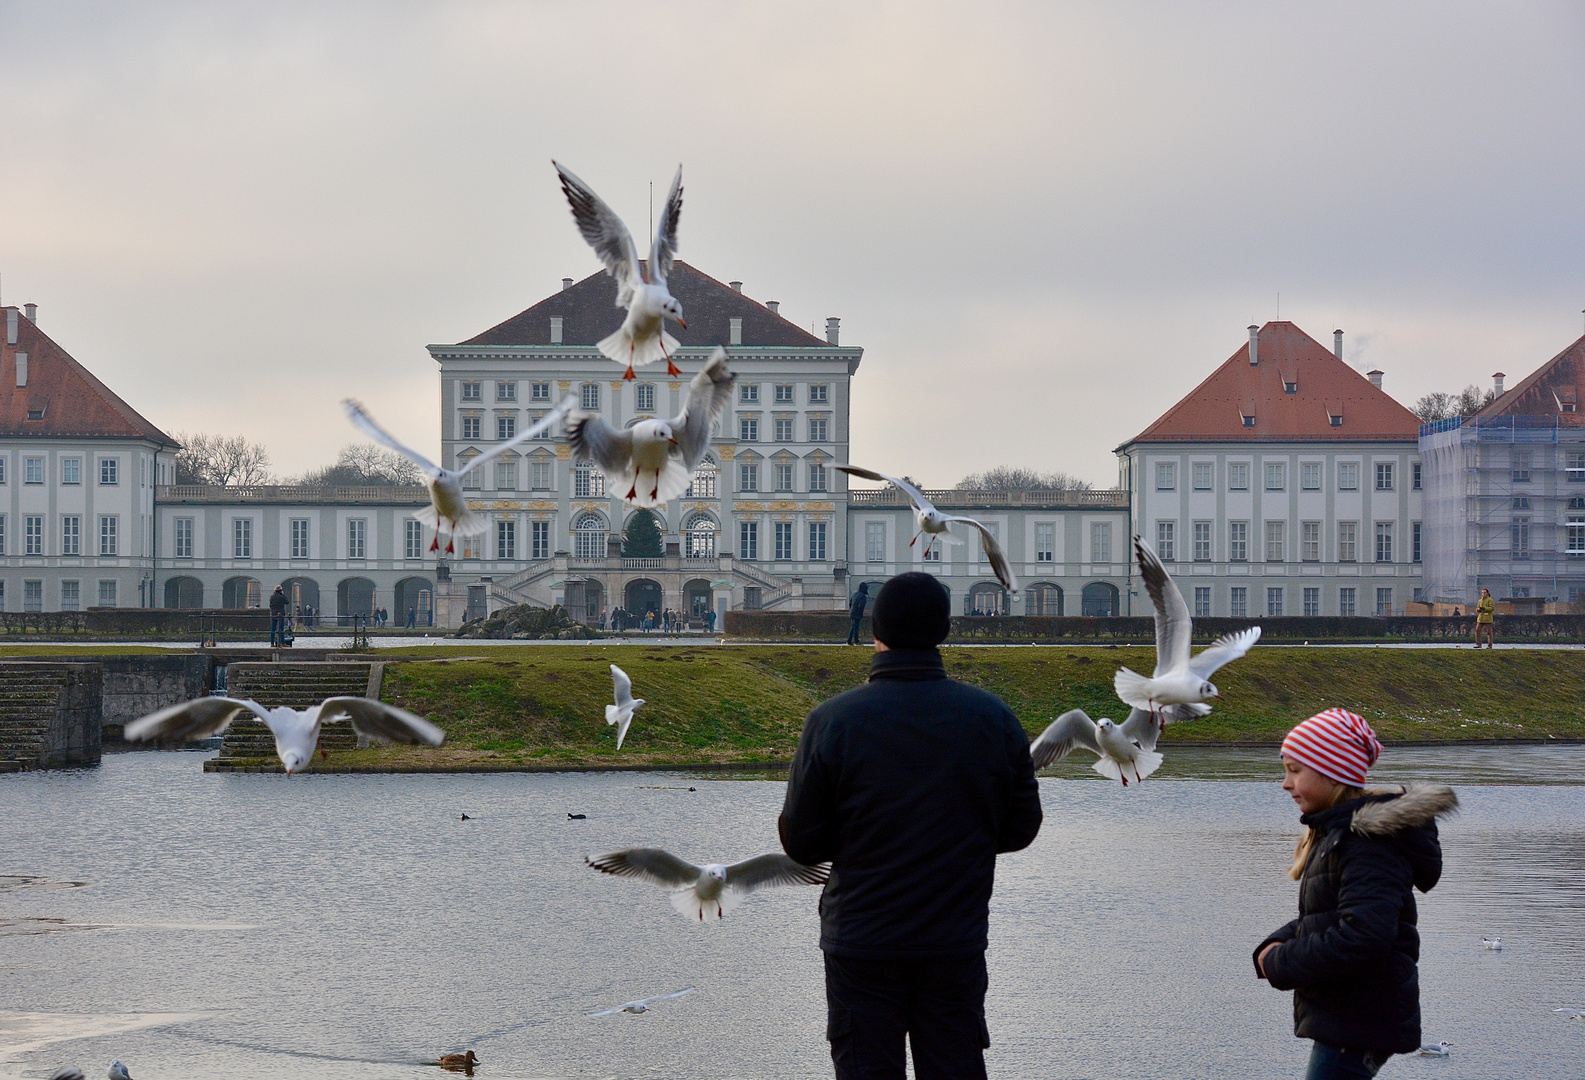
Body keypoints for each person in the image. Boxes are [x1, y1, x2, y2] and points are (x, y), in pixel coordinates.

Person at [779, 572, 1043, 1080]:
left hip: (861, 939)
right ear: (944, 631)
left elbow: (803, 844)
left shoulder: (833, 721)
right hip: (953, 939)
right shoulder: (993, 717)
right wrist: (961, 837)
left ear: (876, 633)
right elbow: (1021, 829)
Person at [1254, 709, 1456, 1079]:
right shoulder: (1338, 835)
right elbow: (1330, 915)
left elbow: (1362, 938)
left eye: (1295, 770)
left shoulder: (1366, 843)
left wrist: (1281, 963)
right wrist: (1274, 945)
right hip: (1351, 1016)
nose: (1285, 783)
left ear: (1334, 772)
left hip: (1359, 1018)